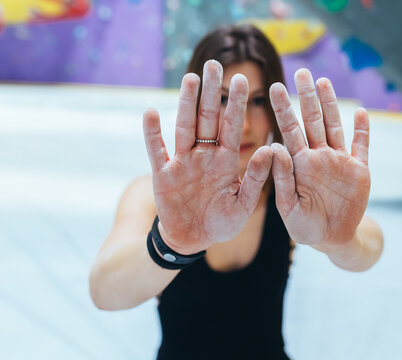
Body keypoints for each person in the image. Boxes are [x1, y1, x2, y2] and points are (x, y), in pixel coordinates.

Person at [89, 24, 384, 360]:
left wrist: (340, 241)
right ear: (198, 102)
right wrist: (173, 244)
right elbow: (104, 292)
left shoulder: (294, 193)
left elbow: (370, 246)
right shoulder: (154, 196)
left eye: (257, 101)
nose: (242, 124)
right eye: (224, 99)